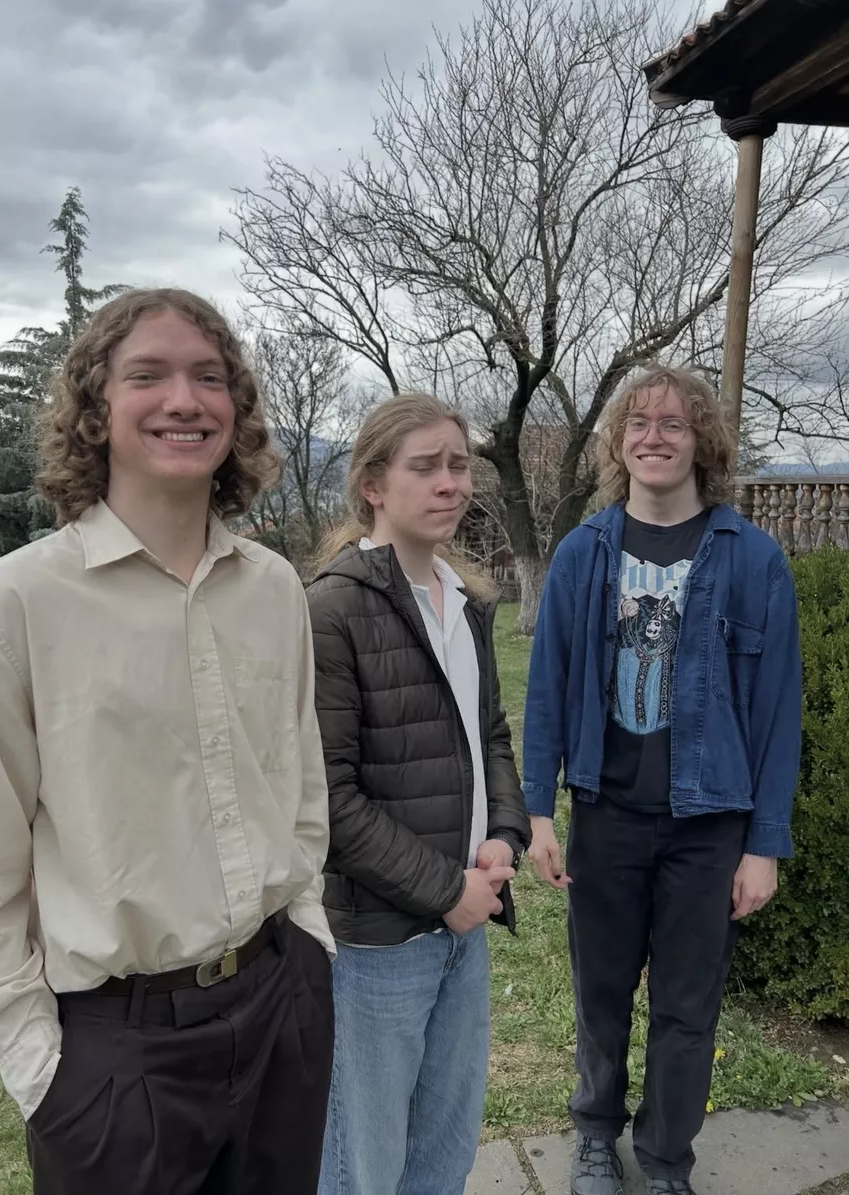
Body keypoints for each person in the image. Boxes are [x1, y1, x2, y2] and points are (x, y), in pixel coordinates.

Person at [0, 288, 335, 1195]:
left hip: (281, 1007)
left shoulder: (275, 587)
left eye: (209, 377)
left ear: (236, 408)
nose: (184, 400)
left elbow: (299, 783)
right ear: (96, 410)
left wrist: (310, 943)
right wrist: (41, 1068)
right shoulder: (6, 609)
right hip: (115, 1057)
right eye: (147, 375)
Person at [523, 367, 801, 1195]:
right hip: (605, 815)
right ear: (619, 442)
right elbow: (546, 687)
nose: (655, 436)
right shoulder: (584, 553)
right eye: (639, 423)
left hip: (709, 827)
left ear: (700, 441)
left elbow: (778, 711)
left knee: (687, 1007)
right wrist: (538, 811)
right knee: (600, 994)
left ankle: (668, 1159)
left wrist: (763, 845)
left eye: (673, 424)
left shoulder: (753, 560)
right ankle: (594, 1138)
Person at [305, 393, 531, 1195]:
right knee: (362, 1162)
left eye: (459, 465)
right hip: (377, 946)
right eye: (426, 466)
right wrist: (445, 890)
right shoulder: (333, 609)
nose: (451, 483)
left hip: (463, 931)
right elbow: (329, 799)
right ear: (372, 484)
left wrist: (504, 832)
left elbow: (490, 733)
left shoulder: (466, 602)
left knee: (444, 1148)